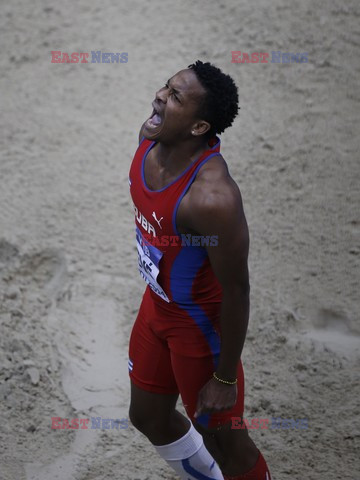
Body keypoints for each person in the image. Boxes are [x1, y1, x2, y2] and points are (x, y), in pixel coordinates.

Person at [128, 60, 271, 480]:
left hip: (199, 330)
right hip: (156, 308)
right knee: (148, 417)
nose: (159, 97)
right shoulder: (149, 139)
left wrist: (225, 377)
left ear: (197, 127)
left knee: (227, 444)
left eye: (175, 97)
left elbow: (237, 290)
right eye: (166, 87)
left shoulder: (212, 200)